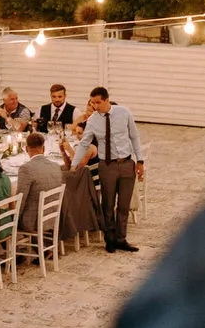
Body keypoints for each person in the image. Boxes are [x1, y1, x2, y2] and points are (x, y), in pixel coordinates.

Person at [72, 86, 145, 253]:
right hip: (107, 165)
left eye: (98, 102)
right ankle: (110, 238)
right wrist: (74, 164)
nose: (95, 106)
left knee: (124, 205)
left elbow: (134, 136)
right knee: (108, 204)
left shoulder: (124, 113)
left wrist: (140, 161)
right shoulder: (93, 121)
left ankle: (121, 238)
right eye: (93, 103)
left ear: (106, 100)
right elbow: (84, 143)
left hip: (126, 163)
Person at [15, 132, 67, 232]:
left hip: (33, 221)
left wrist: (13, 217)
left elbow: (20, 200)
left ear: (26, 149)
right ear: (43, 148)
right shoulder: (55, 166)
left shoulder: (26, 169)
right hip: (54, 217)